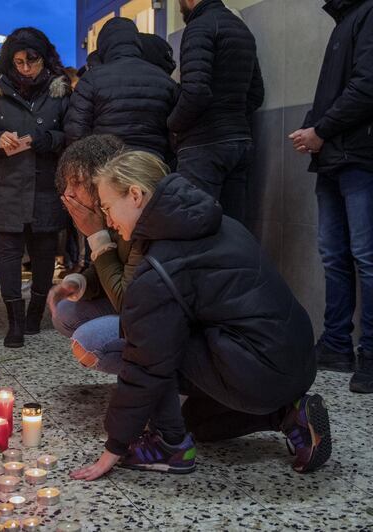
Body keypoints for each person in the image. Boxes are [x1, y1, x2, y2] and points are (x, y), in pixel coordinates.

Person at [69, 150, 330, 480]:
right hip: (296, 360)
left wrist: (115, 447)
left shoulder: (163, 264)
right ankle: (288, 414)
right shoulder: (214, 220)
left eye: (107, 207)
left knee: (144, 342)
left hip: (258, 367)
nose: (107, 220)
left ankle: (169, 447)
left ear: (135, 195)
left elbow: (146, 362)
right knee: (197, 423)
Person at [288, 0, 373, 394]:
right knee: (334, 255)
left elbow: (366, 86)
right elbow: (338, 92)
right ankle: (337, 344)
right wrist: (313, 128)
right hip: (336, 155)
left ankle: (369, 355)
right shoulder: (346, 20)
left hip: (359, 155)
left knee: (365, 257)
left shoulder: (367, 13)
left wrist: (319, 130)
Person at [0, 27, 71, 347]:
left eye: (31, 61)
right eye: (18, 62)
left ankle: (35, 315)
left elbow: (73, 135)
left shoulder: (60, 92)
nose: (25, 68)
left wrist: (46, 139)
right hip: (6, 184)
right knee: (8, 253)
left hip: (44, 183)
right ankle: (14, 320)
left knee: (43, 252)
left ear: (45, 59)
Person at [168, 0, 264, 226]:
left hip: (203, 144)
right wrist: (230, 116)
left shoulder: (200, 27)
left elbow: (196, 92)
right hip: (239, 141)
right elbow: (256, 94)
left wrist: (173, 125)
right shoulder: (241, 29)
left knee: (196, 226)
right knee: (233, 229)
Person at [49, 135, 134, 374]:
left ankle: (150, 383)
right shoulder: (108, 212)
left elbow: (131, 301)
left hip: (152, 315)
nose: (68, 193)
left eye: (76, 182)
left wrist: (96, 234)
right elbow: (113, 265)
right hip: (132, 301)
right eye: (65, 184)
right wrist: (80, 281)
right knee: (65, 312)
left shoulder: (129, 215)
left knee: (88, 340)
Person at [64, 17, 178, 161]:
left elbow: (76, 131)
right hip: (151, 164)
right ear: (137, 42)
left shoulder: (91, 79)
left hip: (107, 167)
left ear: (103, 45)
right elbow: (176, 130)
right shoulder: (164, 80)